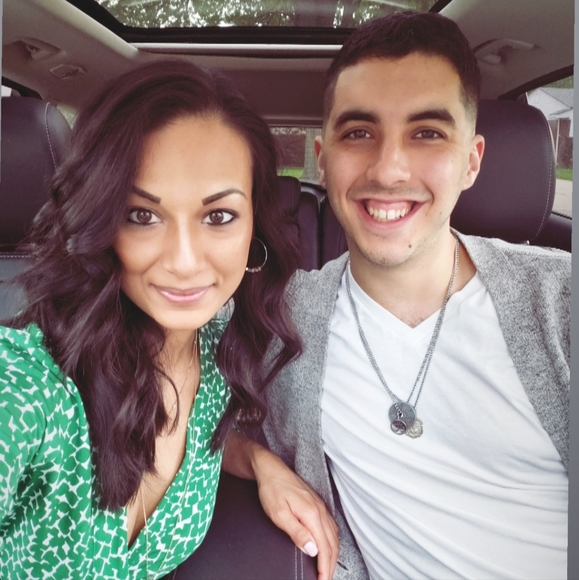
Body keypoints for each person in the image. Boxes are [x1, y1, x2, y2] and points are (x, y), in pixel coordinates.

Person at [225, 11, 570, 580]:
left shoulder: (560, 301)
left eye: (427, 132)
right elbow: (173, 409)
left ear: (471, 161)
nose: (387, 170)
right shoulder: (282, 321)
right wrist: (258, 460)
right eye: (358, 133)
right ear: (322, 158)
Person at [0, 60, 309, 579]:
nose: (184, 262)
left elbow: (201, 436)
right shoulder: (30, 384)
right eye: (141, 215)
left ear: (255, 223)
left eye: (218, 216)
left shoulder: (218, 353)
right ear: (100, 220)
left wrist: (260, 462)